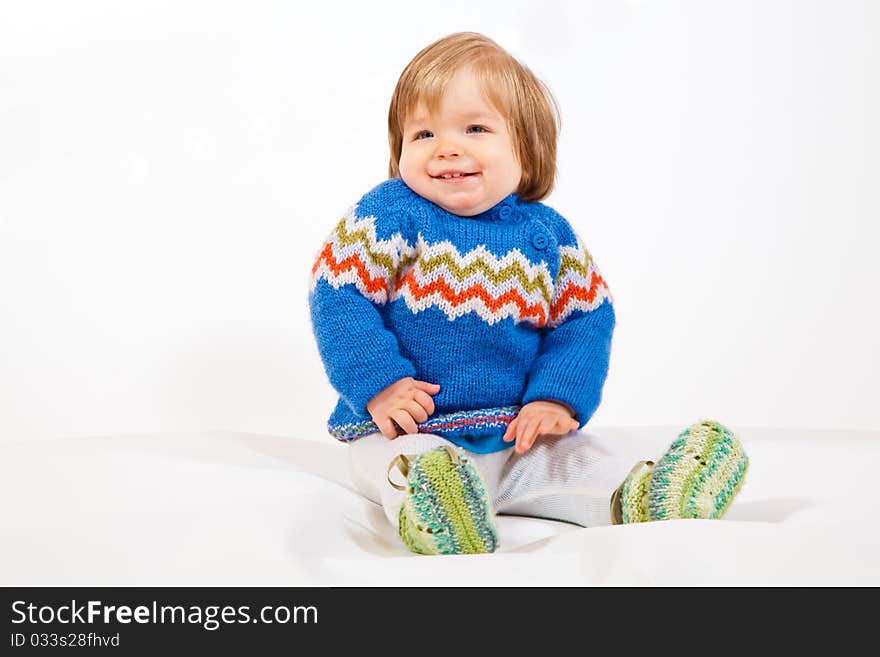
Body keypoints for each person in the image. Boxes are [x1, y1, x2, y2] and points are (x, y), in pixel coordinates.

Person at [308, 32, 748, 555]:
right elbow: (338, 294)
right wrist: (379, 384)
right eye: (423, 134)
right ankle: (434, 506)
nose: (447, 146)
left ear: (525, 147)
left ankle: (649, 497)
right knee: (401, 466)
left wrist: (555, 397)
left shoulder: (548, 235)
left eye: (475, 128)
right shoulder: (389, 214)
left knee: (578, 463)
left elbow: (585, 319)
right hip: (407, 428)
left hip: (516, 436)